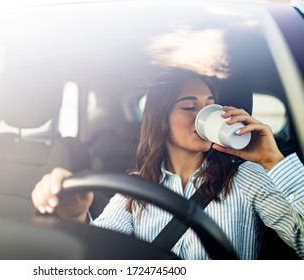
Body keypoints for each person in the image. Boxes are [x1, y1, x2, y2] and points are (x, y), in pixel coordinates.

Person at [31, 70, 304, 259]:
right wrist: (76, 217)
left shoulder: (246, 177)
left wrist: (272, 160)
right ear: (161, 120)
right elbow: (100, 255)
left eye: (211, 106)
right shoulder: (134, 188)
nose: (204, 115)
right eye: (189, 107)